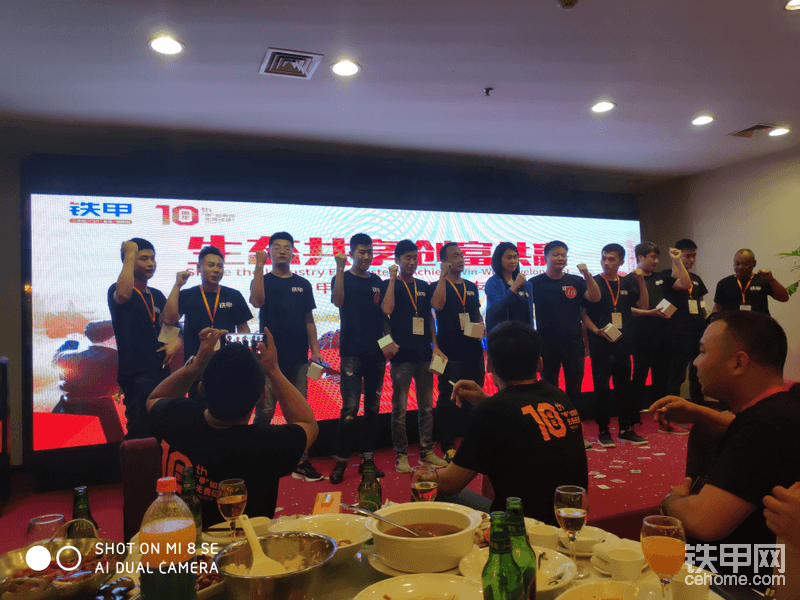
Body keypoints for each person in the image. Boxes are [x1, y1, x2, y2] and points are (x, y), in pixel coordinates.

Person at [652, 311, 800, 585]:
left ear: (738, 363)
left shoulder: (764, 424)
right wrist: (700, 413)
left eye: (702, 351)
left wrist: (671, 501)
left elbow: (703, 521)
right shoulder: (785, 405)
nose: (696, 362)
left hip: (738, 580)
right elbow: (748, 426)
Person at [146, 327, 318, 526]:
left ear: (201, 388)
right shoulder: (267, 444)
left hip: (179, 539)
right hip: (245, 543)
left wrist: (196, 364)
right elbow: (308, 424)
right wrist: (274, 371)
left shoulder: (178, 417)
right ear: (263, 396)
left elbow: (155, 398)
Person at [421, 321, 588, 524]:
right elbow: (522, 415)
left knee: (428, 489)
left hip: (520, 527)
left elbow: (450, 483)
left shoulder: (491, 412)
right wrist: (485, 401)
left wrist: (422, 476)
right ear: (539, 363)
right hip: (568, 522)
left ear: (489, 365)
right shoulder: (560, 397)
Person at [249, 231, 324, 482]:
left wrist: (316, 351)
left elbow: (309, 321)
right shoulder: (263, 279)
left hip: (299, 357)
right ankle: (257, 458)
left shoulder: (303, 284)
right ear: (269, 251)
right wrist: (259, 266)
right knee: (265, 410)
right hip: (269, 358)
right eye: (277, 247)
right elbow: (257, 301)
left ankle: (300, 461)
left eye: (287, 247)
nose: (282, 251)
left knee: (298, 412)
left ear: (293, 252)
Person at [329, 233, 393, 484]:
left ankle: (368, 459)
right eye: (361, 252)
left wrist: (388, 341)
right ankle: (341, 462)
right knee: (350, 408)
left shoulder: (377, 281)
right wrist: (339, 268)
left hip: (376, 354)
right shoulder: (342, 277)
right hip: (351, 353)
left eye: (370, 252)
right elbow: (337, 301)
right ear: (352, 253)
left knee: (373, 409)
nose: (366, 256)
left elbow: (383, 316)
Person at [381, 240, 449, 473]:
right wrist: (392, 279)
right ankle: (401, 454)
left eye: (415, 257)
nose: (412, 262)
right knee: (399, 409)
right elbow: (386, 310)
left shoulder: (423, 285)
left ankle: (426, 451)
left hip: (424, 354)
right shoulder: (389, 284)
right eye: (407, 257)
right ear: (397, 260)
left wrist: (435, 346)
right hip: (401, 357)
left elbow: (431, 315)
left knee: (426, 408)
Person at [108, 238, 182, 439]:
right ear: (130, 260)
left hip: (162, 371)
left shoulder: (156, 295)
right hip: (136, 374)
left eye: (153, 258)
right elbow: (123, 295)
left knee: (164, 428)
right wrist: (129, 253)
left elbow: (171, 324)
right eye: (144, 258)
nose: (151, 263)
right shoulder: (118, 290)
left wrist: (175, 342)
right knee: (141, 431)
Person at [529, 241, 600, 447]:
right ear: (545, 257)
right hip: (546, 346)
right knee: (549, 391)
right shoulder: (534, 283)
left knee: (574, 391)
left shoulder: (576, 281)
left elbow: (595, 298)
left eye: (563, 255)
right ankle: (552, 434)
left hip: (573, 346)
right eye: (555, 255)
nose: (560, 258)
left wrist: (587, 275)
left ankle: (575, 434)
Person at [162, 245, 252, 406]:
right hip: (196, 365)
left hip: (226, 364)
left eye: (220, 266)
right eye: (211, 265)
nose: (216, 270)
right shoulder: (187, 294)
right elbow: (169, 319)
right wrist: (177, 285)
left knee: (226, 408)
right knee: (198, 410)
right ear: (199, 267)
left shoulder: (234, 295)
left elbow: (243, 329)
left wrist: (243, 356)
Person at [581, 243, 648, 448]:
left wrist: (641, 281)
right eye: (604, 258)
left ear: (621, 261)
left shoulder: (626, 282)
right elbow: (583, 313)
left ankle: (625, 429)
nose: (606, 263)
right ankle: (603, 431)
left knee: (624, 388)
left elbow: (643, 305)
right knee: (601, 388)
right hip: (601, 343)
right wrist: (595, 331)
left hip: (623, 343)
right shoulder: (594, 282)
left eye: (611, 259)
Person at [431, 242, 485, 462]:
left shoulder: (471, 286)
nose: (461, 259)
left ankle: (473, 441)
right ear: (444, 261)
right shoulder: (437, 285)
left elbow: (476, 314)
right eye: (455, 256)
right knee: (447, 397)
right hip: (449, 352)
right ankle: (447, 445)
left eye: (461, 255)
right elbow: (437, 305)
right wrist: (442, 276)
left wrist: (482, 330)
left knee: (474, 395)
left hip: (473, 351)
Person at [628, 243, 690, 427]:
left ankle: (662, 417)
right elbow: (628, 309)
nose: (655, 261)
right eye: (652, 257)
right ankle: (632, 418)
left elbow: (685, 284)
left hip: (663, 336)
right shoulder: (629, 280)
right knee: (639, 377)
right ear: (640, 257)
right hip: (641, 337)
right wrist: (650, 313)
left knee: (661, 379)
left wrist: (677, 261)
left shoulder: (661, 277)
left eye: (657, 257)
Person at [663, 239, 709, 413]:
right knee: (677, 374)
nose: (691, 260)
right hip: (678, 333)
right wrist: (676, 262)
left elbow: (701, 303)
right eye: (688, 256)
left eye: (694, 256)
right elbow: (682, 284)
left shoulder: (697, 279)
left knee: (696, 374)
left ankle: (698, 411)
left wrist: (707, 317)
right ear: (678, 254)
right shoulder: (668, 276)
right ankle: (672, 412)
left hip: (698, 332)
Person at [712, 248, 790, 315]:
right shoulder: (724, 283)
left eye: (745, 264)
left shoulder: (763, 280)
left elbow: (784, 298)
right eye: (737, 263)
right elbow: (717, 308)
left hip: (760, 325)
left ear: (754, 263)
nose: (740, 267)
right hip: (733, 326)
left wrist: (771, 280)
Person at [484, 242, 533, 333]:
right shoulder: (493, 283)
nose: (513, 261)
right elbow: (497, 310)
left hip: (524, 335)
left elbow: (529, 315)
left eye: (515, 257)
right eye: (509, 257)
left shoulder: (526, 285)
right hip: (502, 335)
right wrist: (515, 286)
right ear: (499, 259)